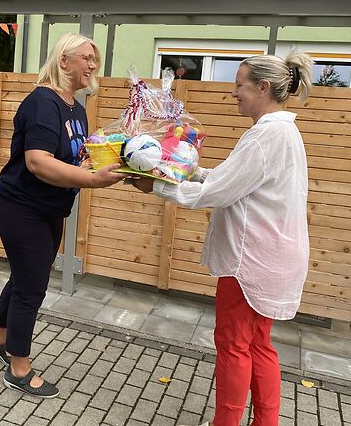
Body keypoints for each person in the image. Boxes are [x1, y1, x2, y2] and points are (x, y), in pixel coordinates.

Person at [132, 51, 314, 426]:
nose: (234, 93)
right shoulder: (282, 131)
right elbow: (234, 180)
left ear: (262, 87)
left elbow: (219, 194)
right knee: (259, 345)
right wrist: (190, 170)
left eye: (239, 85)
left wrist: (157, 186)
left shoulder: (266, 134)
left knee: (233, 346)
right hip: (276, 258)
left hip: (252, 262)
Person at [0, 33, 126, 399]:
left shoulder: (76, 107)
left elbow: (73, 155)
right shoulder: (43, 102)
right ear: (64, 61)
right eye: (86, 58)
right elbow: (37, 161)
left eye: (95, 59)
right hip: (21, 206)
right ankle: (18, 367)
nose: (93, 65)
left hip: (50, 207)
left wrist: (117, 159)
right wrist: (93, 179)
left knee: (27, 275)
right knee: (32, 285)